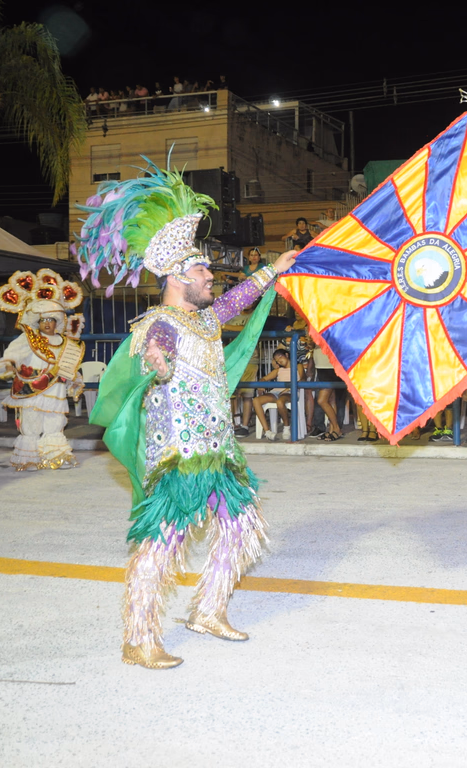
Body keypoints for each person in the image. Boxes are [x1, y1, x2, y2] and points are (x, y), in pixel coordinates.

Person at [74, 159, 300, 669]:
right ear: (177, 277)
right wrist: (159, 362)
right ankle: (139, 639)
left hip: (218, 451)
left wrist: (275, 268)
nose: (210, 277)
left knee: (243, 530)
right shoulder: (160, 323)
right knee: (160, 546)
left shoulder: (202, 319)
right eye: (201, 271)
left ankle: (208, 611)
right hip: (178, 456)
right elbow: (154, 349)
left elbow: (242, 296)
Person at [0, 270, 85, 470]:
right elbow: (10, 358)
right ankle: (30, 458)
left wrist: (75, 380)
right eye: (42, 320)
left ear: (57, 321)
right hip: (30, 389)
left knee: (55, 423)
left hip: (55, 390)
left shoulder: (65, 343)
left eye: (50, 320)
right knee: (31, 423)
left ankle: (55, 458)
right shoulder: (27, 340)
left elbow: (70, 367)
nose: (46, 324)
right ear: (37, 322)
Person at [252, 347, 304, 441]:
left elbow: (302, 379)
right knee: (256, 400)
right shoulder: (278, 370)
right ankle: (267, 431)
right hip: (276, 392)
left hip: (290, 391)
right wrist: (261, 385)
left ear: (287, 355)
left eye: (280, 357)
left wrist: (289, 387)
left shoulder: (298, 366)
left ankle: (286, 427)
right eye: (277, 360)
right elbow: (264, 379)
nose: (279, 361)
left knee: (280, 402)